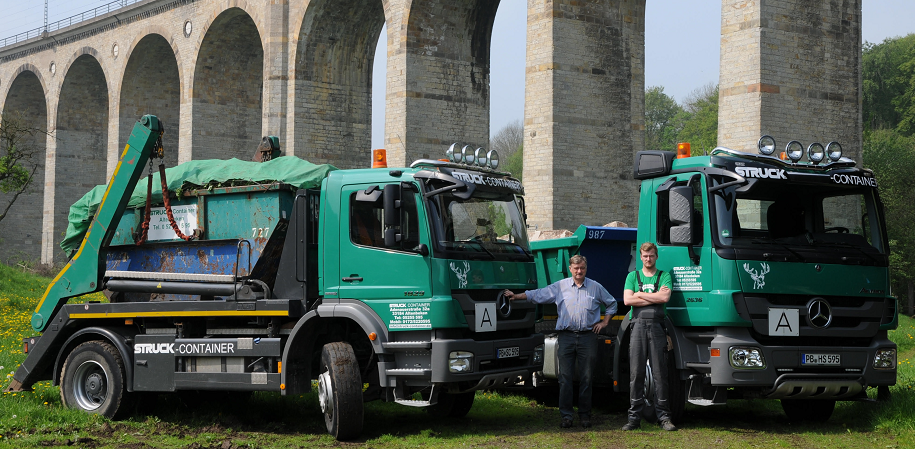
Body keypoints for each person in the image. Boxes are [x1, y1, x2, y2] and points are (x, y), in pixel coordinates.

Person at [503, 255, 616, 429]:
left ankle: (585, 415)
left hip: (588, 337)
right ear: (570, 268)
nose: (579, 271)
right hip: (566, 337)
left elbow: (612, 304)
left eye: (582, 268)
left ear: (586, 268)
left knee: (587, 378)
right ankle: (566, 416)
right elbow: (538, 295)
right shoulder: (560, 287)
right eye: (576, 268)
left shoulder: (595, 287)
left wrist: (605, 323)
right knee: (564, 377)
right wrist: (516, 296)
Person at [621, 242, 677, 431]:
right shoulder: (632, 276)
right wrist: (652, 295)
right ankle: (634, 418)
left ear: (656, 256)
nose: (648, 259)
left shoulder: (664, 276)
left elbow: (664, 299)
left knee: (661, 373)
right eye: (645, 256)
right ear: (640, 257)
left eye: (651, 255)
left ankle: (664, 417)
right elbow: (628, 300)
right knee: (636, 374)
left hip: (657, 328)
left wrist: (640, 294)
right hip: (636, 327)